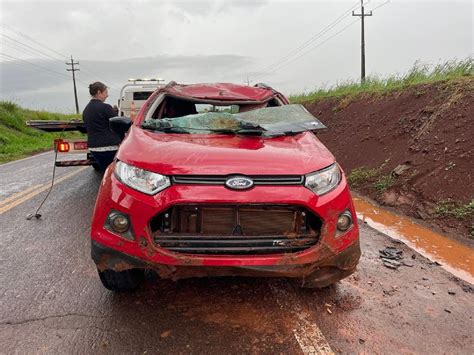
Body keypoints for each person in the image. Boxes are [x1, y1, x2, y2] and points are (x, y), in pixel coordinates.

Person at [83, 82, 121, 172]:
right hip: (109, 147)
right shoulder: (105, 107)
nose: (107, 95)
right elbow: (118, 124)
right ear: (99, 92)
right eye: (106, 92)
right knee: (115, 173)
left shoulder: (86, 109)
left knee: (106, 171)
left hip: (94, 147)